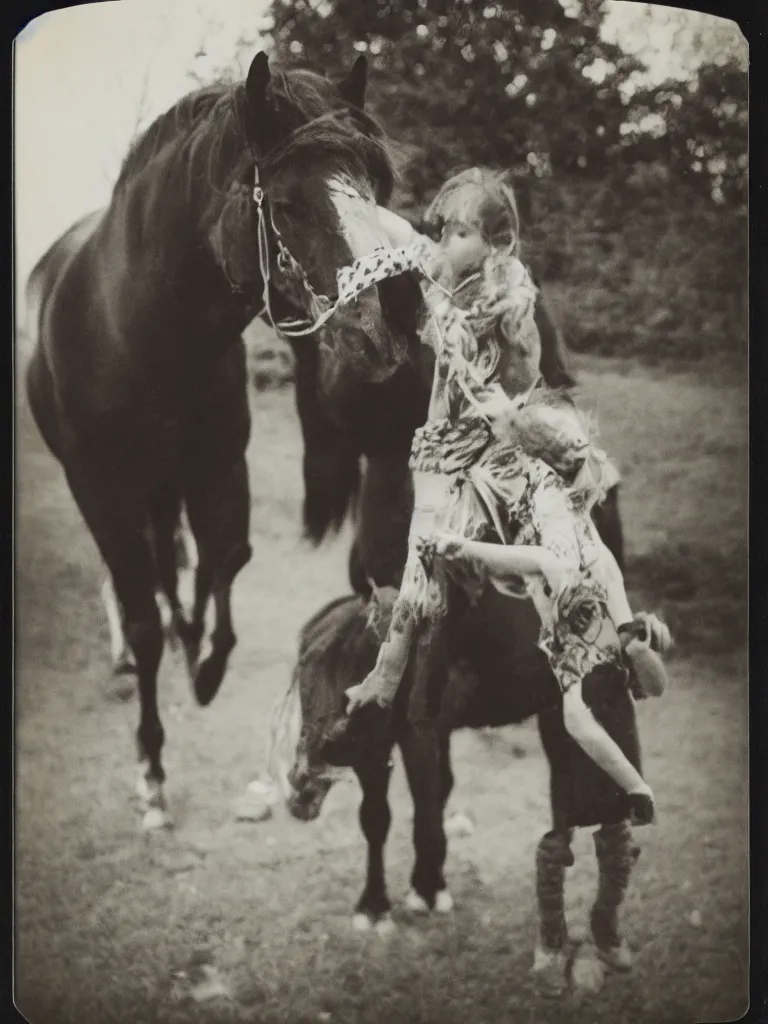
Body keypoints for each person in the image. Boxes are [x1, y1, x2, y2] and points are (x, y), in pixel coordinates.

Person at [344, 167, 670, 820]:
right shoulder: (420, 285)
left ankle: (612, 678)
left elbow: (536, 381)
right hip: (440, 460)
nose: (444, 239)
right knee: (412, 573)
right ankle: (388, 680)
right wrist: (353, 208)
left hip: (505, 451)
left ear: (496, 243)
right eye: (446, 228)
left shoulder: (515, 299)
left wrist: (517, 418)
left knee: (589, 525)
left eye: (459, 230)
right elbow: (398, 238)